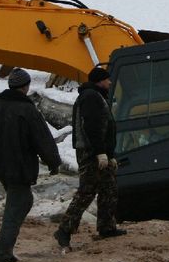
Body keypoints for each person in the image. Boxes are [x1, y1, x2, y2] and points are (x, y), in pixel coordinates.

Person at [0, 67, 61, 262]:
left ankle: (2, 247)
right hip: (19, 167)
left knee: (20, 203)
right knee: (17, 207)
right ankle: (2, 261)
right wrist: (53, 162)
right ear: (25, 87)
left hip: (0, 166)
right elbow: (43, 139)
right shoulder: (27, 110)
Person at [54, 66, 126, 249]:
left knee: (108, 187)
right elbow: (92, 127)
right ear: (100, 81)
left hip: (99, 152)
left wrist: (110, 155)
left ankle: (106, 226)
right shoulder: (91, 97)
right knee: (87, 191)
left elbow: (105, 128)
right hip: (90, 152)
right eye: (107, 79)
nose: (110, 82)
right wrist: (99, 152)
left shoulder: (97, 96)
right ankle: (64, 229)